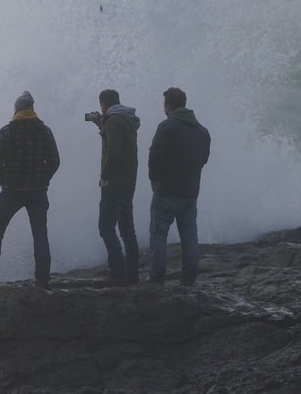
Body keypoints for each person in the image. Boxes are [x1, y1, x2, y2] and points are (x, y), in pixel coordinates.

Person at [0, 91, 60, 289]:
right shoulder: (45, 131)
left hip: (11, 191)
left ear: (16, 109)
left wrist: (1, 179)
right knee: (40, 234)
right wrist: (44, 179)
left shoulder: (6, 131)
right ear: (32, 109)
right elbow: (55, 161)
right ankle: (42, 279)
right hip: (37, 191)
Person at [147, 87, 211, 286]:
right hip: (190, 192)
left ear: (168, 106)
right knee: (189, 235)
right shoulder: (202, 131)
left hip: (165, 191)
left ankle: (157, 278)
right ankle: (189, 278)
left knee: (159, 233)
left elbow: (155, 157)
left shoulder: (166, 127)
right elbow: (204, 159)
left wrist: (154, 180)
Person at [90, 89, 141, 286]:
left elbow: (114, 152)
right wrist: (101, 124)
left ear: (103, 103)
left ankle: (117, 272)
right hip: (129, 181)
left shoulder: (113, 122)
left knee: (106, 227)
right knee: (128, 231)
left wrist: (104, 176)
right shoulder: (127, 120)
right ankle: (133, 275)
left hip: (114, 182)